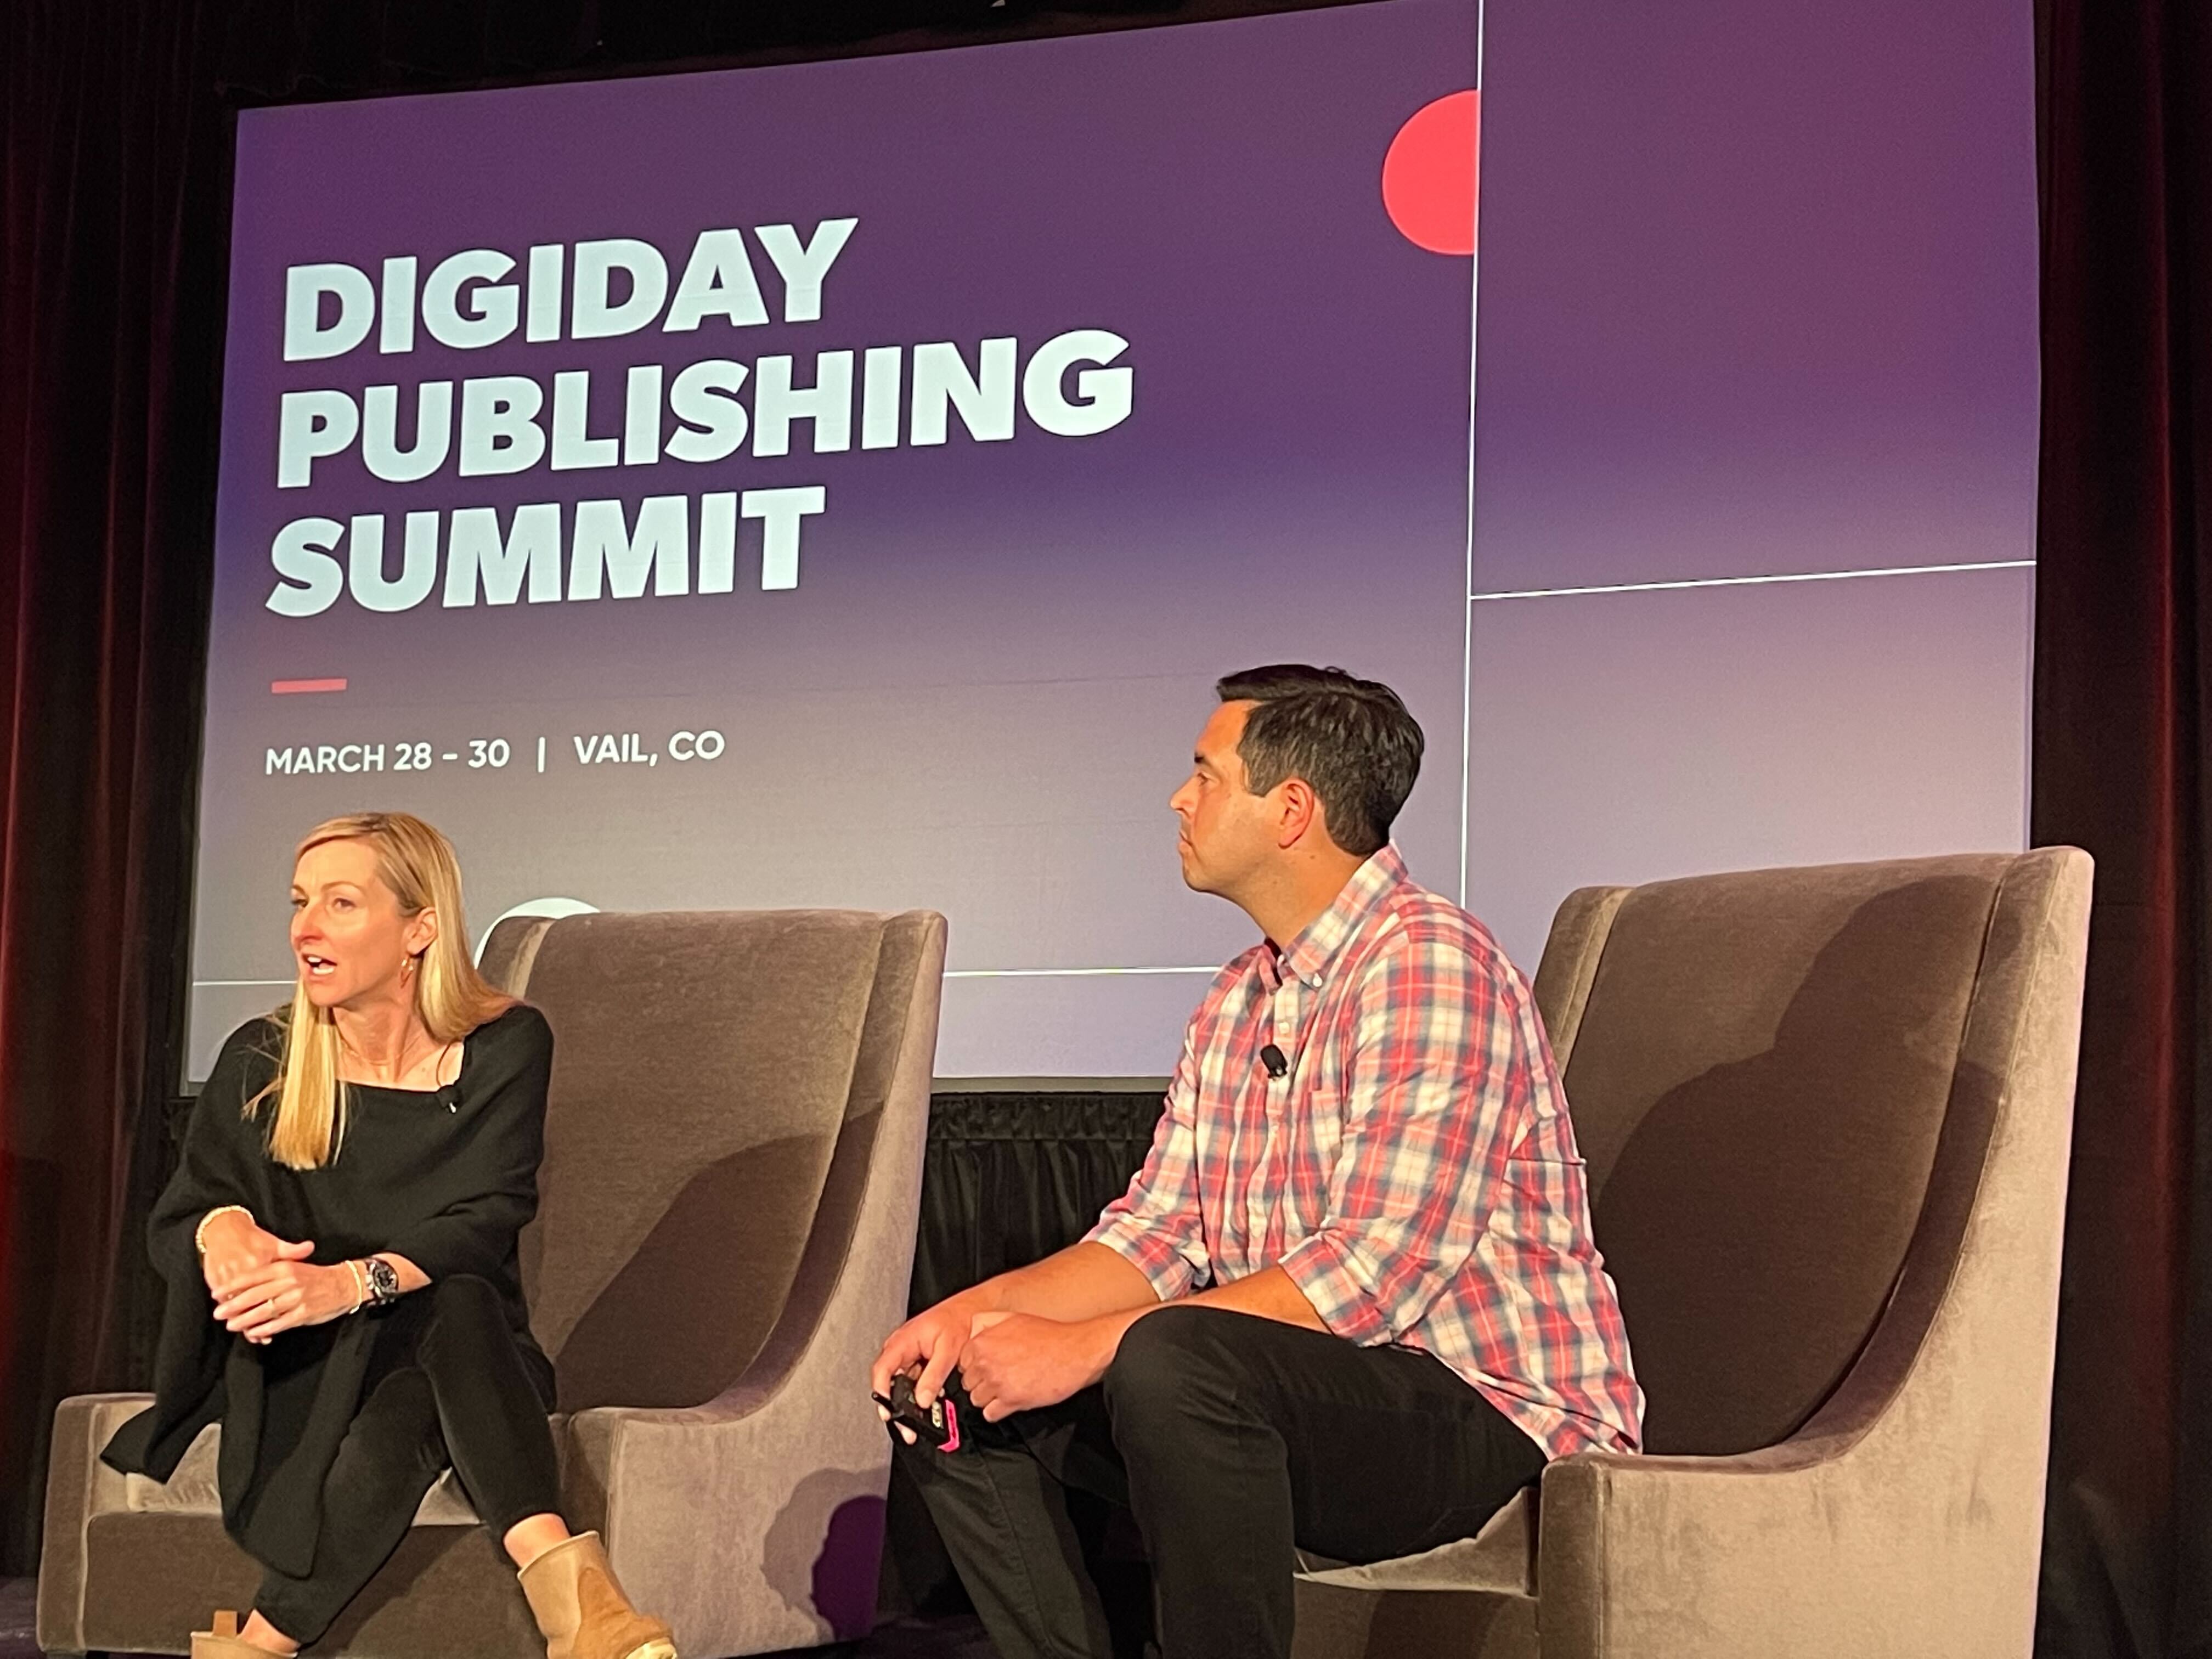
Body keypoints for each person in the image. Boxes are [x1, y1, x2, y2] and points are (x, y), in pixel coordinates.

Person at [872, 665, 1644, 1659]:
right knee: (953, 1385)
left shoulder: (1430, 964)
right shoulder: (1241, 998)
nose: (1178, 799)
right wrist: (971, 1314)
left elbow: (1372, 1273)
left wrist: (1092, 1345)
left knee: (1175, 1359)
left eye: (1205, 775)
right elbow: (1155, 1237)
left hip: (1493, 1417)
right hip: (1312, 1389)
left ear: (1291, 810)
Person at [103, 812, 677, 1659]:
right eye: (300, 902)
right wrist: (224, 1235)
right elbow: (190, 1210)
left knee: (452, 1313)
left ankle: (257, 1644)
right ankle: (582, 1609)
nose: (306, 927)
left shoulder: (505, 1046)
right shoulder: (262, 1058)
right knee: (434, 1349)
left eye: (340, 903)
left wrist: (349, 1283)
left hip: (470, 1352)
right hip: (305, 1361)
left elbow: (486, 1220)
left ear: (420, 929)